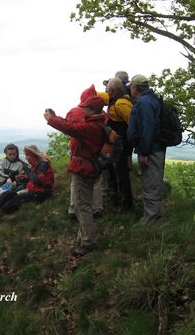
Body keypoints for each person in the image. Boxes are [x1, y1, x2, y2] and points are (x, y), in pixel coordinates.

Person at [44, 89, 105, 257]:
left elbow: (72, 129)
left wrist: (51, 120)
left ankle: (87, 242)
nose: (82, 110)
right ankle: (83, 236)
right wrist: (57, 118)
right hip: (90, 168)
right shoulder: (98, 122)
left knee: (82, 206)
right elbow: (74, 127)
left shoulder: (92, 127)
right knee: (82, 204)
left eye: (85, 108)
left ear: (92, 110)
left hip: (84, 169)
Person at [127, 74, 166, 225]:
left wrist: (144, 152)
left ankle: (150, 219)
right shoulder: (150, 100)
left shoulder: (144, 102)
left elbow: (148, 129)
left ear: (135, 87)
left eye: (131, 87)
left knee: (151, 183)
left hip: (151, 150)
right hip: (153, 148)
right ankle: (154, 215)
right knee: (152, 181)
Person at [66, 85, 109, 219]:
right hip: (96, 152)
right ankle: (97, 208)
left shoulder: (74, 111)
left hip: (78, 151)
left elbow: (69, 125)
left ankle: (73, 208)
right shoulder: (102, 114)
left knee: (76, 182)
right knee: (96, 182)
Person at [0, 144, 54, 221]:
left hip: (42, 193)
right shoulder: (36, 164)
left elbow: (38, 182)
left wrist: (28, 172)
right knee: (9, 194)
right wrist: (24, 178)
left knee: (17, 198)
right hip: (32, 190)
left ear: (33, 156)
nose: (26, 158)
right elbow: (33, 178)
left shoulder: (43, 164)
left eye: (27, 156)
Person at [105, 77, 134, 213]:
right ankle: (119, 200)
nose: (105, 91)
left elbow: (133, 124)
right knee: (118, 172)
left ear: (111, 90)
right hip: (118, 144)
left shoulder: (121, 104)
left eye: (107, 89)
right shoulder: (116, 101)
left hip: (122, 145)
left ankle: (127, 205)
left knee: (122, 174)